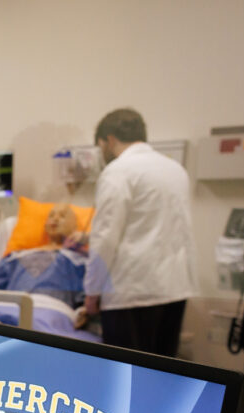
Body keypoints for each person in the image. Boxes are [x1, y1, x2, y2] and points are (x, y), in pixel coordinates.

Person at [83, 108, 197, 356]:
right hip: (174, 288)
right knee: (162, 371)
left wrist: (91, 292)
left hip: (132, 292)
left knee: (127, 375)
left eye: (101, 146)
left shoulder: (118, 171)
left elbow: (105, 238)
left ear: (109, 140)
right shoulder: (175, 170)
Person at [0, 202, 89, 309]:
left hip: (50, 310)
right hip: (8, 307)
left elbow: (87, 299)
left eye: (62, 216)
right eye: (51, 216)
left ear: (75, 226)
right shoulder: (16, 256)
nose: (55, 219)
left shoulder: (78, 260)